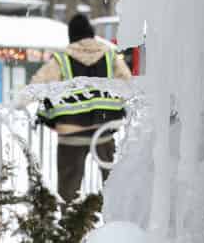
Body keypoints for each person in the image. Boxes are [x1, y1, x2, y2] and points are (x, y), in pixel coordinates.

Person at [30, 14, 131, 201]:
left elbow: (37, 85)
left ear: (72, 35)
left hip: (72, 133)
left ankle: (70, 225)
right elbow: (127, 83)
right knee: (114, 186)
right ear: (91, 33)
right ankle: (116, 224)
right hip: (104, 131)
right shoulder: (110, 56)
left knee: (68, 190)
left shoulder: (61, 60)